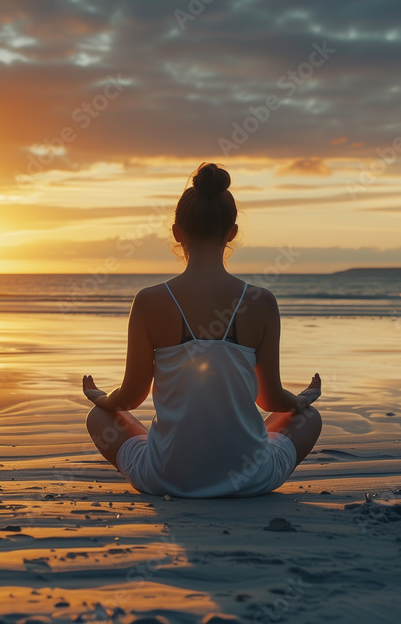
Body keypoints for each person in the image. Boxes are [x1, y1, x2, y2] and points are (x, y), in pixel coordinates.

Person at [82, 162, 322, 498]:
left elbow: (132, 397)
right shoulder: (261, 301)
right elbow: (269, 399)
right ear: (232, 233)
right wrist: (300, 400)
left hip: (167, 479)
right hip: (249, 480)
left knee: (99, 418)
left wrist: (103, 398)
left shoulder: (149, 301)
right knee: (309, 418)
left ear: (177, 232)